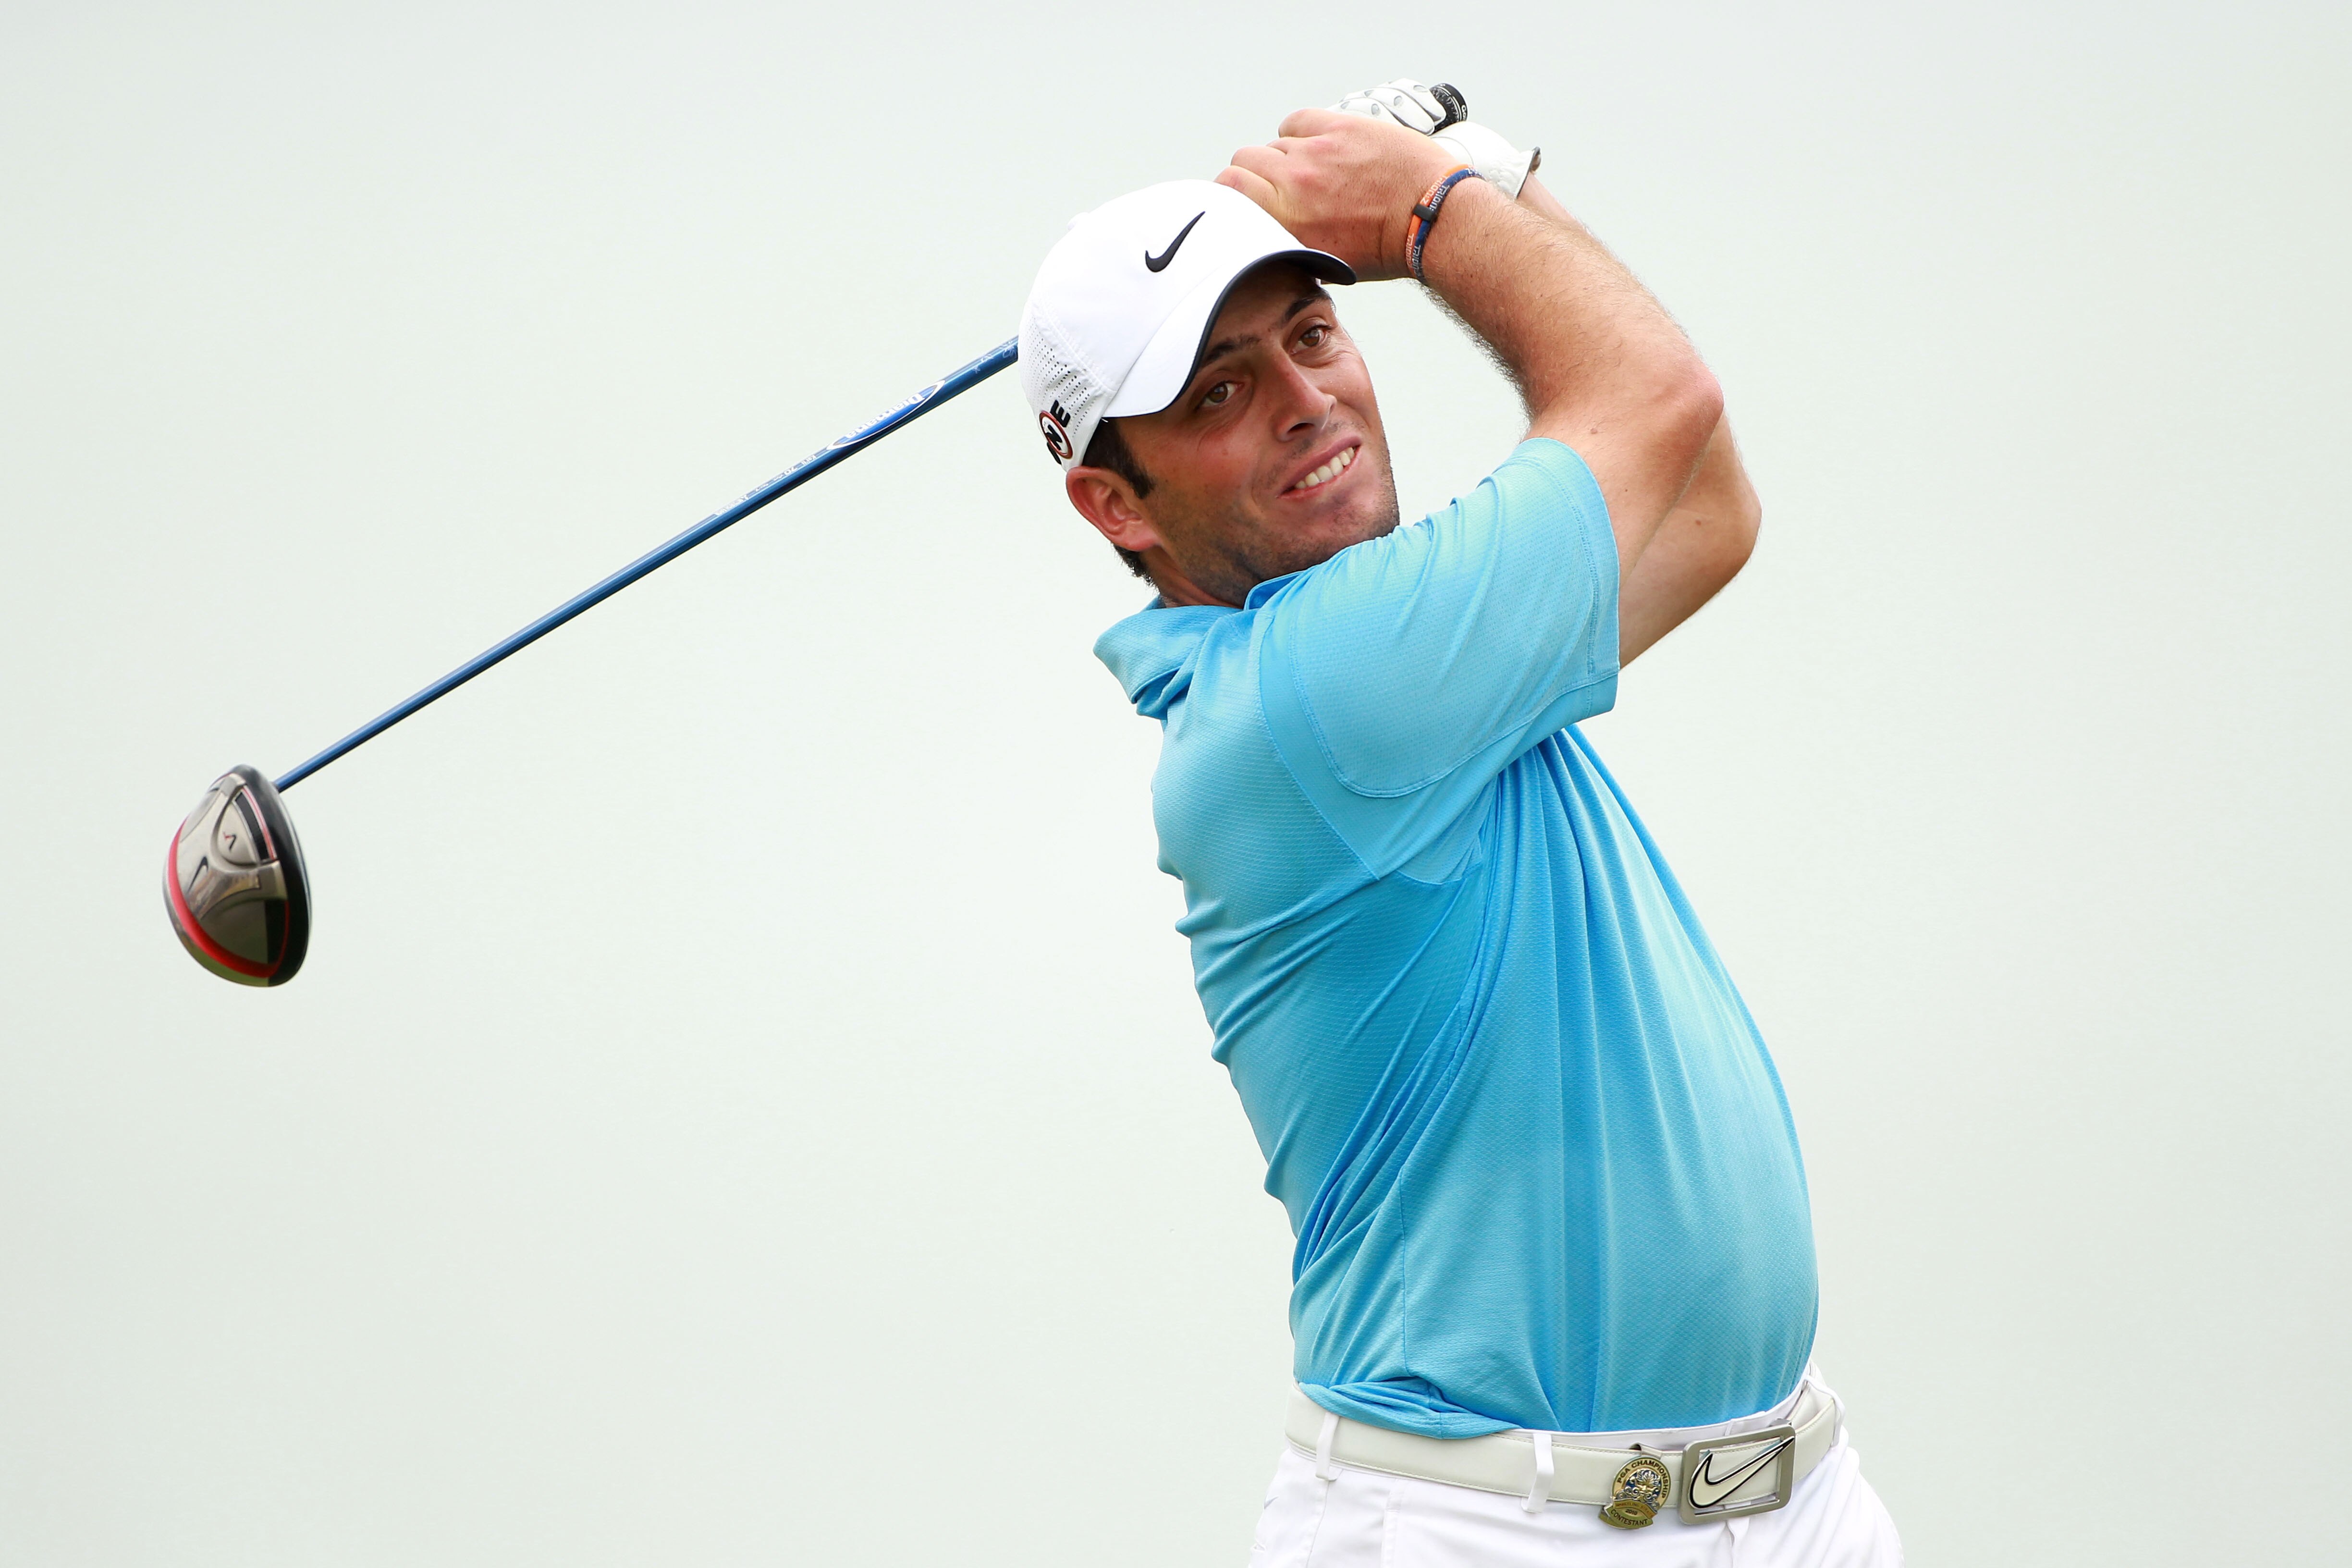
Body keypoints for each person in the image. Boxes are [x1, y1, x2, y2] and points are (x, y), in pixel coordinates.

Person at [1017, 82, 1903, 1566]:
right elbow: (1657, 401)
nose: (1307, 398)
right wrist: (1429, 208)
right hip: (1487, 1529)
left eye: (1313, 331)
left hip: (1789, 1502)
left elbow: (1707, 506)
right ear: (1117, 503)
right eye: (1218, 391)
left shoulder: (1422, 663)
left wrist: (1483, 178)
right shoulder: (1324, 692)